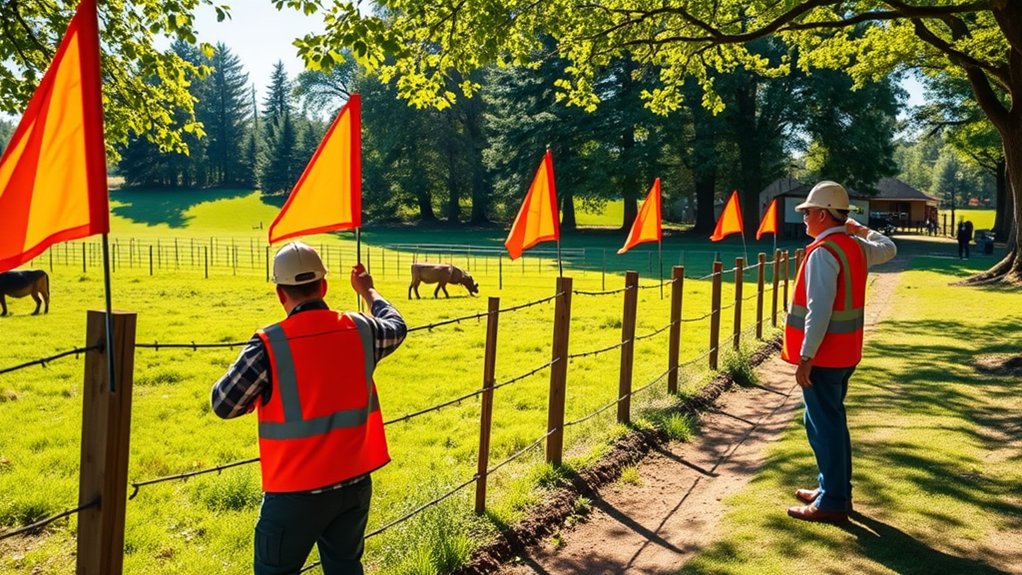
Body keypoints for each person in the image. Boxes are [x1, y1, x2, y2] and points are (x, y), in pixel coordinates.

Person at [211, 241, 407, 574]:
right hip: (353, 485)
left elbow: (223, 403)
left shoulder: (268, 345)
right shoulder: (362, 328)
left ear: (279, 293)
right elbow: (397, 326)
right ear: (324, 286)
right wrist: (369, 290)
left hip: (294, 493)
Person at [782, 181, 897, 524]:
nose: (803, 218)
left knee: (824, 426)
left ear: (821, 214)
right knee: (831, 423)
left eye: (807, 213)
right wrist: (859, 228)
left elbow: (819, 312)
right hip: (846, 354)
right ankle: (832, 490)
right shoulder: (855, 247)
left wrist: (805, 358)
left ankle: (832, 500)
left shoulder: (823, 253)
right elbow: (888, 246)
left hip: (825, 357)